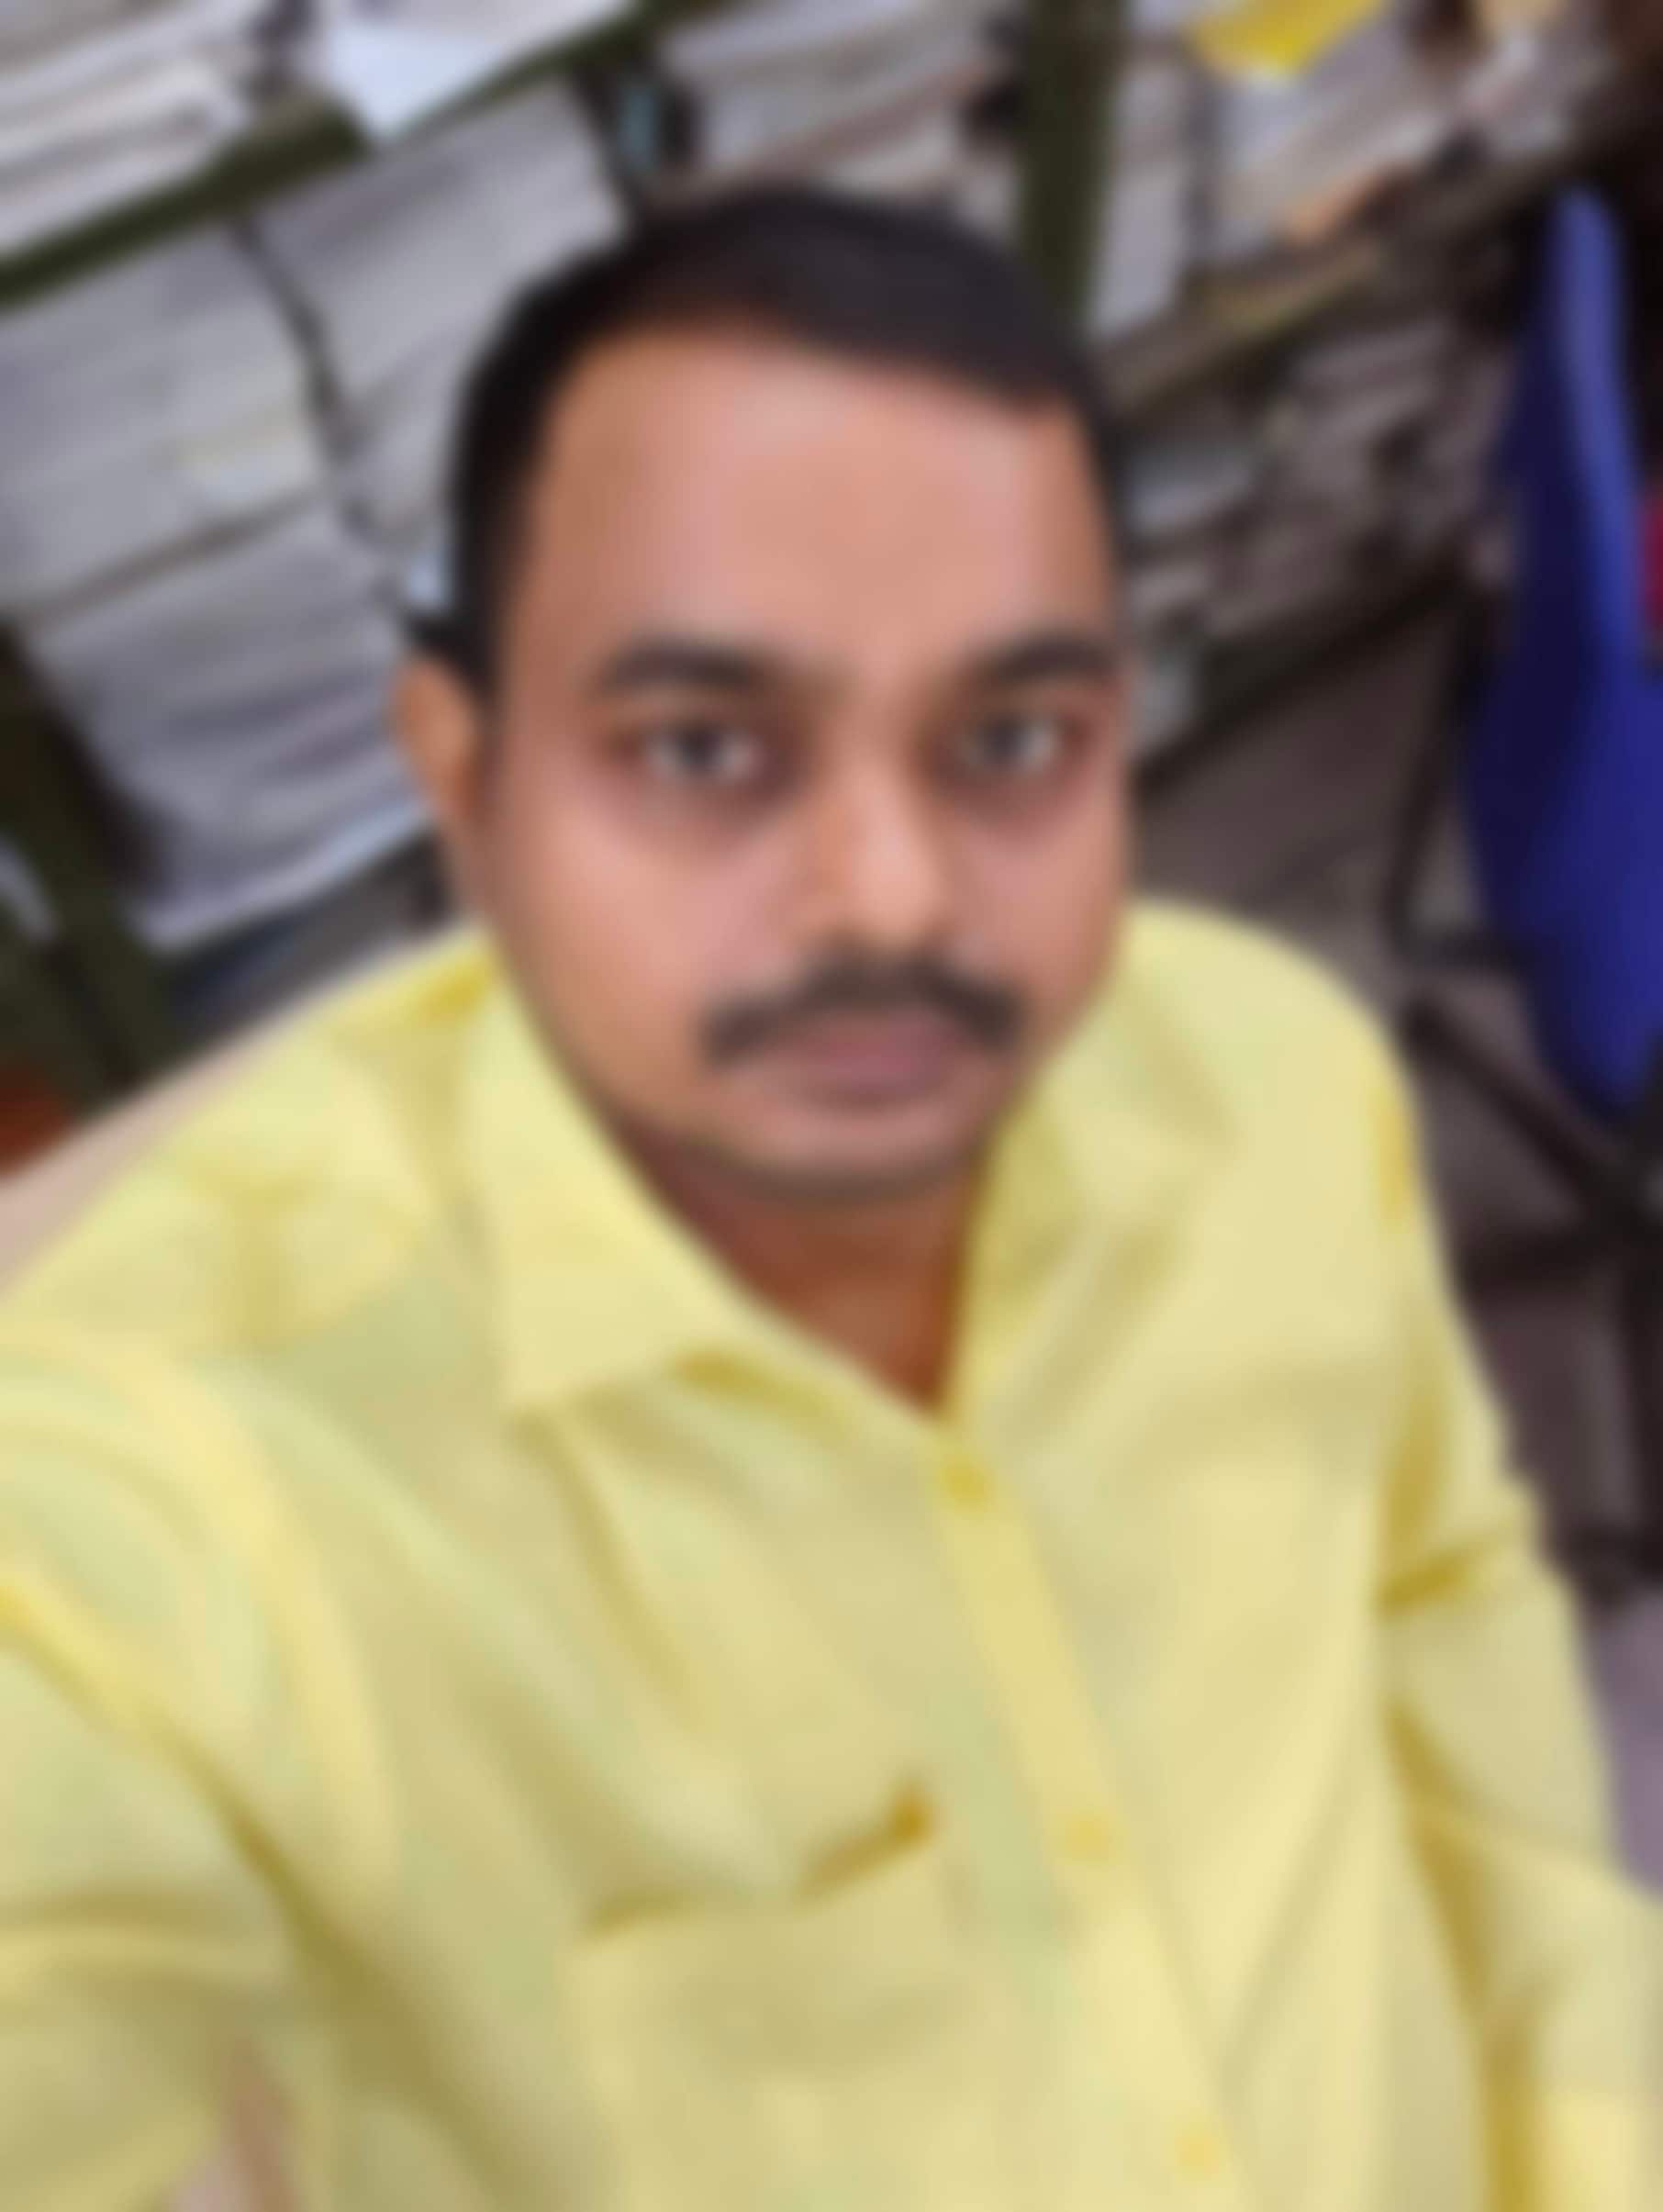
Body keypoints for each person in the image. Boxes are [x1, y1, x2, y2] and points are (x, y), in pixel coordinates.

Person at [0, 188, 1657, 2212]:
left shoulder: (1278, 1084)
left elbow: (1441, 1608)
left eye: (1011, 738)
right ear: (470, 778)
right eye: (705, 747)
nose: (893, 898)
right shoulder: (173, 1482)